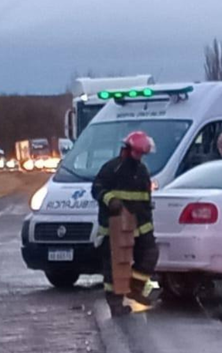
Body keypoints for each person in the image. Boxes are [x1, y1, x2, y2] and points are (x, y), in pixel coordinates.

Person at [92, 131, 159, 316]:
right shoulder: (112, 168)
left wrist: (148, 228)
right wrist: (110, 200)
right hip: (113, 228)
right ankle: (115, 304)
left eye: (141, 154)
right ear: (127, 150)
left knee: (150, 254)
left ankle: (134, 289)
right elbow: (96, 188)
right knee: (115, 267)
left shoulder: (142, 171)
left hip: (140, 227)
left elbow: (145, 201)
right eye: (137, 153)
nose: (139, 157)